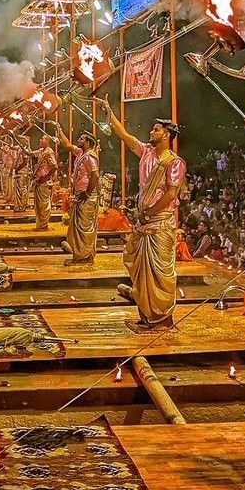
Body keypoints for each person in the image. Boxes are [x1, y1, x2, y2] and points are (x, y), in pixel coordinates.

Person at [102, 103, 186, 333]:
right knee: (140, 271)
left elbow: (171, 193)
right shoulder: (146, 152)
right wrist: (110, 115)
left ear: (167, 134)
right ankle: (147, 318)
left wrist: (150, 211)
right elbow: (126, 136)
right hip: (143, 223)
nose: (151, 132)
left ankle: (162, 321)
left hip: (159, 224)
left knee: (159, 274)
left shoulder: (174, 162)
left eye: (156, 129)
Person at [54, 125, 100, 264]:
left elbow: (95, 175)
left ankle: (84, 257)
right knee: (78, 226)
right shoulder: (81, 153)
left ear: (87, 142)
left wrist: (86, 193)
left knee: (84, 227)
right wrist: (60, 131)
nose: (78, 140)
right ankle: (82, 254)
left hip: (87, 195)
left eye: (81, 139)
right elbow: (68, 145)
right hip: (81, 195)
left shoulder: (90, 156)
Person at [31, 134, 58, 231]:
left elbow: (55, 167)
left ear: (47, 141)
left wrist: (45, 178)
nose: (40, 140)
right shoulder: (41, 151)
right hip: (39, 181)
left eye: (42, 138)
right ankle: (40, 225)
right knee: (38, 205)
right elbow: (29, 153)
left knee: (44, 205)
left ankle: (43, 226)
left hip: (45, 182)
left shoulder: (49, 152)